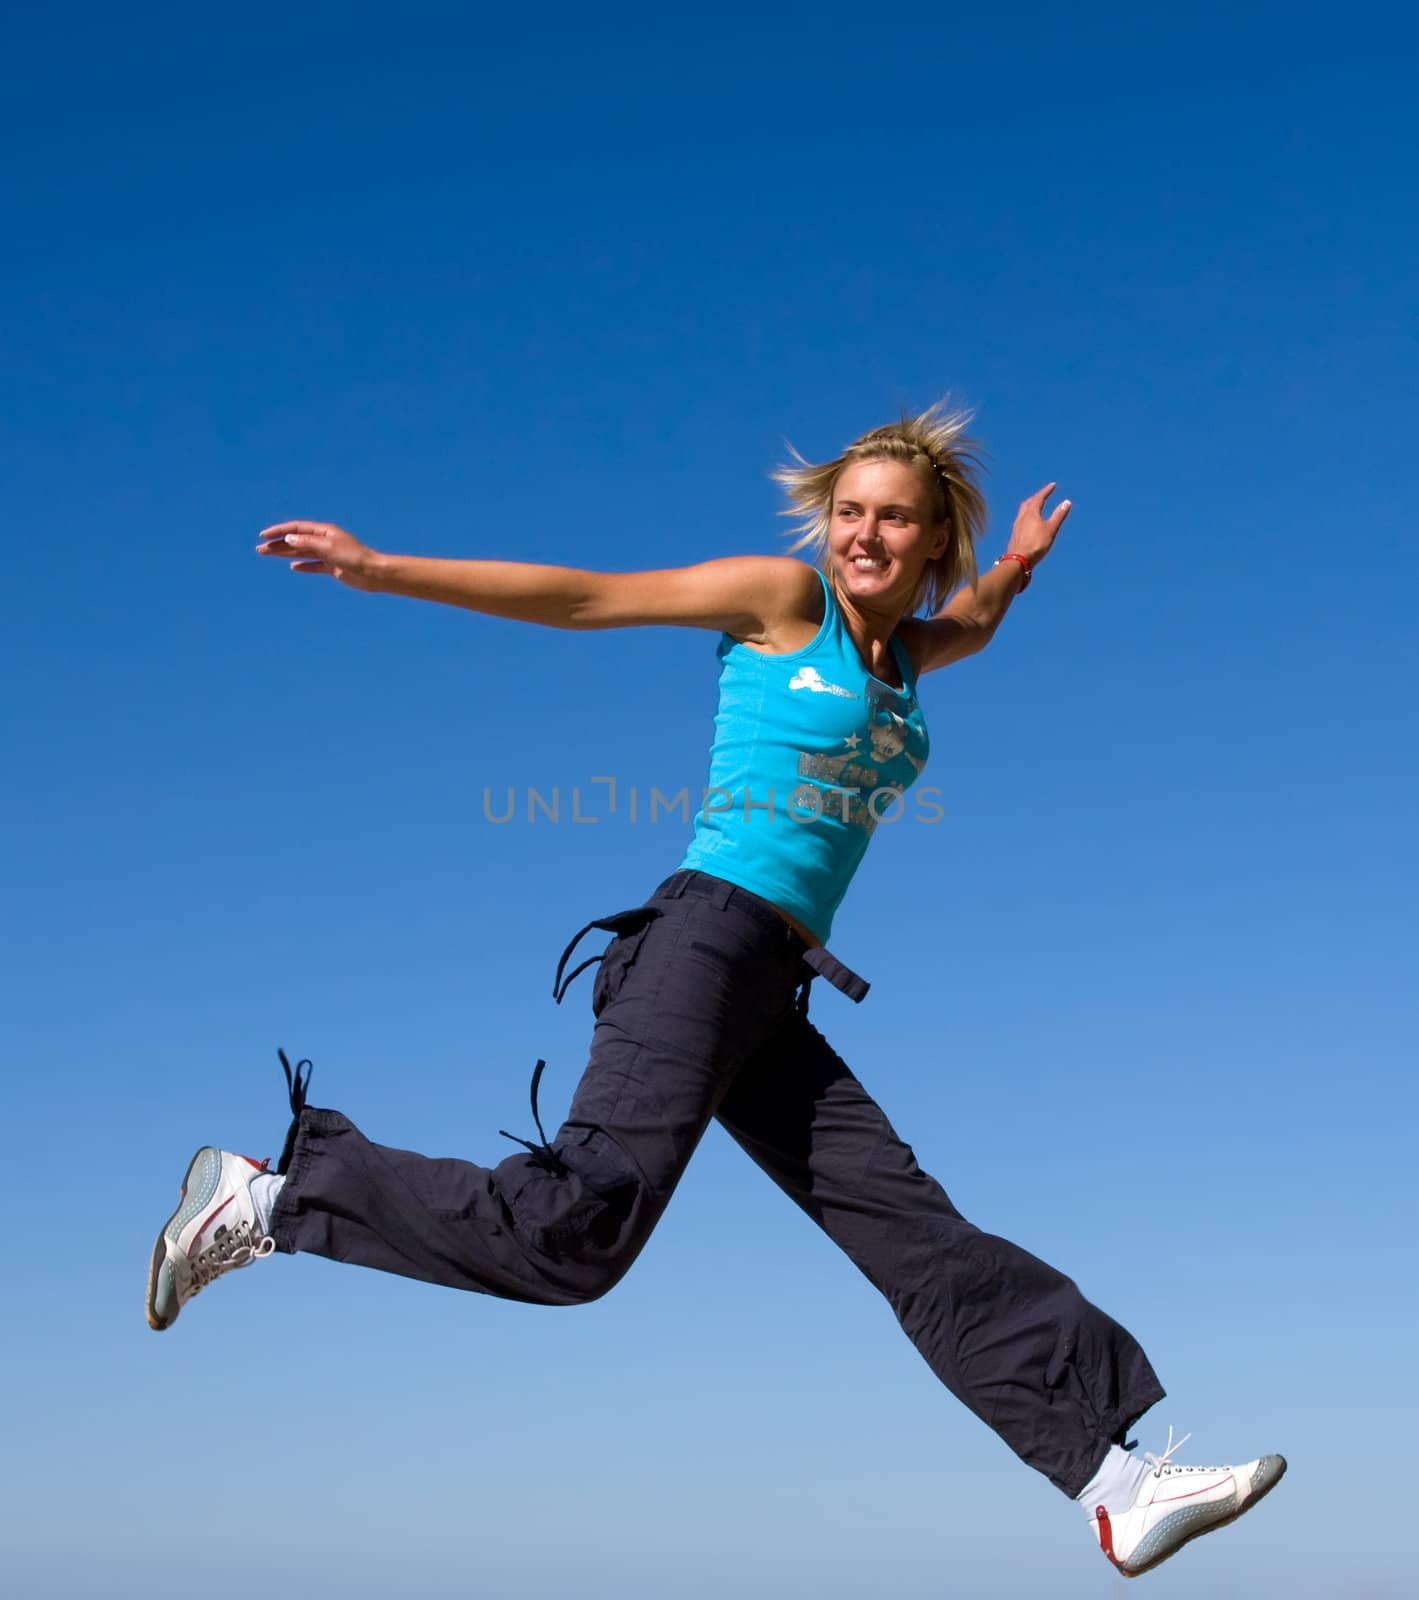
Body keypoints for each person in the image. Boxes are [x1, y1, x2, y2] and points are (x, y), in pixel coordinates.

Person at [146, 402, 1284, 1577]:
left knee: (911, 1227)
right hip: (695, 946)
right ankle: (272, 1199)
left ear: (931, 535)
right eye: (850, 513)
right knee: (575, 1233)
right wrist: (381, 569)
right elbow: (585, 596)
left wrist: (1012, 572)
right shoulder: (782, 605)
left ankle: (1113, 1480)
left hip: (773, 988)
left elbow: (975, 625)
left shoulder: (908, 656)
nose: (864, 536)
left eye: (895, 519)